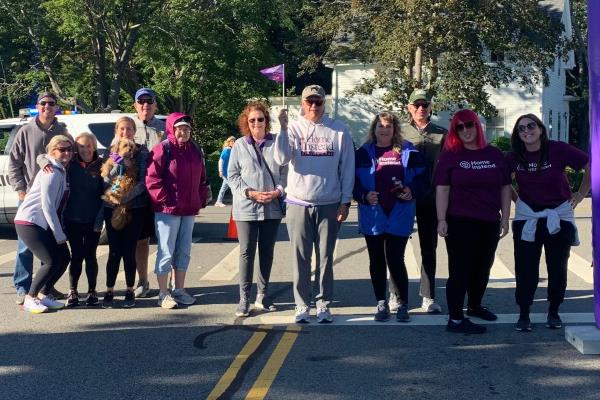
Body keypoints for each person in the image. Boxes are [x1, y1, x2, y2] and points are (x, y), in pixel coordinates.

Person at [274, 84, 355, 324]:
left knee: (326, 258)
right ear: (302, 103)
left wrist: (346, 201)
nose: (313, 106)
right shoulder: (294, 128)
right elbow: (281, 158)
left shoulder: (339, 130)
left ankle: (323, 304)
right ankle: (301, 304)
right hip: (299, 202)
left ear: (324, 103)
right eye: (309, 101)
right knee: (300, 257)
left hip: (329, 202)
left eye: (318, 102)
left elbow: (347, 168)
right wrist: (283, 128)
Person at [507, 114, 590, 331]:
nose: (527, 131)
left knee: (557, 267)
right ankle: (524, 313)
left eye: (531, 126)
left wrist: (581, 194)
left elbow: (590, 163)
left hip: (558, 216)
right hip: (528, 218)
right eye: (521, 128)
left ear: (541, 129)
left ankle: (554, 312)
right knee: (526, 269)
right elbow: (503, 182)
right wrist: (518, 201)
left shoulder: (558, 149)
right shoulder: (515, 156)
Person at [435, 109, 511, 334]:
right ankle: (456, 319)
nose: (465, 130)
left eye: (469, 125)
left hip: (488, 221)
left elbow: (505, 187)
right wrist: (441, 219)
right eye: (460, 127)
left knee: (482, 268)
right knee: (460, 270)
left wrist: (505, 218)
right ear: (455, 130)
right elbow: (443, 189)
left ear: (477, 126)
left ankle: (475, 306)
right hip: (459, 221)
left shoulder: (494, 154)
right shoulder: (450, 156)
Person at [354, 111, 425, 322]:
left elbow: (423, 178)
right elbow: (351, 182)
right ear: (373, 129)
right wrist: (364, 196)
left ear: (395, 129)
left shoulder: (408, 151)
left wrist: (411, 190)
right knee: (376, 260)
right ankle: (381, 303)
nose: (384, 130)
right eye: (380, 126)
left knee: (396, 259)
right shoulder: (363, 153)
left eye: (388, 126)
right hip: (373, 213)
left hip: (399, 212)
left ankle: (402, 303)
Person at [8, 91, 69, 306]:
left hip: (53, 196)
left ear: (56, 107)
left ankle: (45, 288)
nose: (47, 107)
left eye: (51, 104)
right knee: (26, 247)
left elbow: (67, 154)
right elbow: (14, 164)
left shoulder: (62, 131)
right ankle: (23, 287)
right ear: (38, 105)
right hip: (30, 198)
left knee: (48, 245)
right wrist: (21, 190)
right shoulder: (25, 131)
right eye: (43, 103)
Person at [228, 101, 287, 317]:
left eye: (260, 119)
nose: (256, 123)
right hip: (246, 207)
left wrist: (278, 192)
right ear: (246, 122)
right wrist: (250, 192)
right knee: (246, 253)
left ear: (266, 121)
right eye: (252, 120)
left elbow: (285, 172)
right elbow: (232, 175)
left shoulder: (277, 143)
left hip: (271, 206)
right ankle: (244, 297)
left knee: (267, 252)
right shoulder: (240, 145)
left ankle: (263, 294)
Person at [146, 113, 210, 309]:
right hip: (168, 211)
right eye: (180, 128)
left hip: (189, 209)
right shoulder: (163, 149)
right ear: (172, 129)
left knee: (184, 251)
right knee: (166, 251)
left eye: (187, 128)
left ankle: (179, 290)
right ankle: (163, 293)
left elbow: (202, 178)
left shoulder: (194, 149)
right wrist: (165, 200)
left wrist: (199, 198)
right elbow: (152, 178)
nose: (184, 132)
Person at [399, 89, 447, 314]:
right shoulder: (399, 132)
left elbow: (449, 167)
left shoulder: (441, 133)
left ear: (430, 107)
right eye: (416, 105)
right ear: (409, 108)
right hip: (405, 196)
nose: (421, 109)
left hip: (431, 196)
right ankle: (396, 294)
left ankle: (428, 295)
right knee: (396, 246)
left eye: (424, 105)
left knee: (429, 247)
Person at [15, 135, 73, 313]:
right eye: (62, 150)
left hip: (43, 223)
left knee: (64, 258)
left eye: (69, 149)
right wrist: (59, 234)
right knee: (50, 261)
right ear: (52, 151)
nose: (67, 153)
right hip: (30, 222)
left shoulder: (60, 170)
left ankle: (44, 294)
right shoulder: (51, 172)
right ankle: (30, 297)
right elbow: (47, 207)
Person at [102, 116, 150, 308]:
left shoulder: (142, 152)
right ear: (116, 131)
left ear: (134, 131)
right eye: (122, 129)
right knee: (114, 252)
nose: (126, 132)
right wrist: (117, 165)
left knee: (130, 250)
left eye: (129, 129)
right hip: (111, 206)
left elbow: (144, 183)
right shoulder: (110, 152)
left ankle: (130, 290)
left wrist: (126, 198)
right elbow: (105, 179)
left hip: (134, 207)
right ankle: (109, 290)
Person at [131, 88, 166, 299]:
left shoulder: (165, 128)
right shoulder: (128, 127)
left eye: (149, 101)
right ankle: (142, 281)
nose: (145, 105)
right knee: (141, 240)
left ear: (155, 104)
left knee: (166, 241)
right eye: (141, 102)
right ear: (135, 105)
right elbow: (115, 156)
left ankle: (169, 284)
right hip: (138, 195)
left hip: (162, 194)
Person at [214, 136, 236, 207]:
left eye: (234, 141)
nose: (233, 142)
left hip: (228, 172)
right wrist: (220, 171)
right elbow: (221, 160)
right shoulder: (227, 150)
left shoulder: (231, 150)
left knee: (223, 188)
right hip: (225, 172)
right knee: (233, 187)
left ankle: (218, 201)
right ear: (229, 142)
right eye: (232, 141)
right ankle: (237, 202)